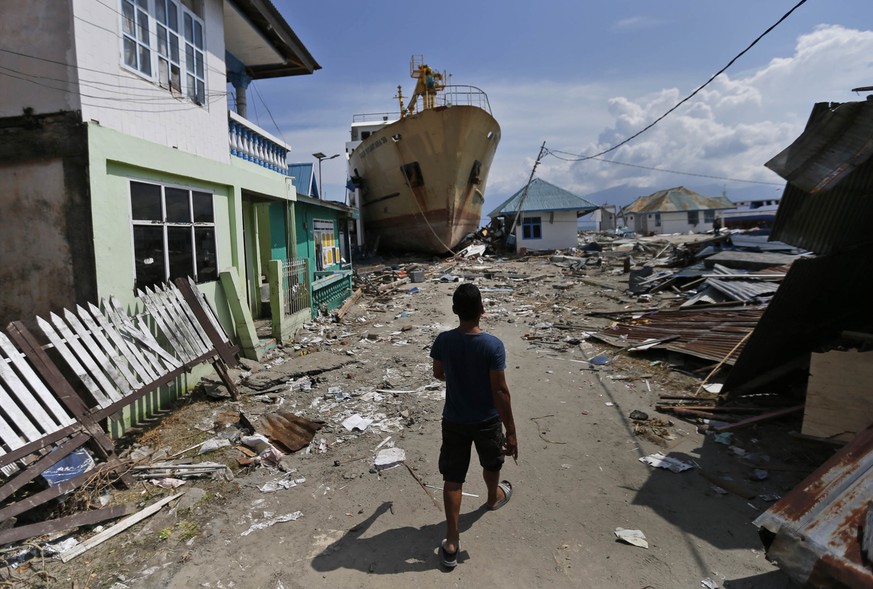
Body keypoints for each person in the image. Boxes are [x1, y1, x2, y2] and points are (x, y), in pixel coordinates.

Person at [430, 283, 518, 569]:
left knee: (453, 477)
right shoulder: (492, 345)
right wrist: (512, 432)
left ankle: (452, 541)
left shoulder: (444, 341)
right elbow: (501, 392)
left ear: (455, 310)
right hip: (487, 420)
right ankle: (493, 497)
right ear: (482, 310)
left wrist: (458, 377)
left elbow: (438, 373)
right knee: (492, 462)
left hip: (454, 419)